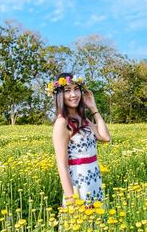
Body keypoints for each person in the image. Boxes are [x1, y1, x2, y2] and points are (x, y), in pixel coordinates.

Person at [47, 73, 111, 208]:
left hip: (94, 180)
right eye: (67, 91)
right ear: (59, 96)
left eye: (76, 89)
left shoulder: (83, 118)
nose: (73, 94)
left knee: (98, 224)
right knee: (82, 226)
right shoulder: (62, 123)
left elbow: (105, 137)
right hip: (78, 183)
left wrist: (93, 108)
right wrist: (71, 198)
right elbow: (62, 165)